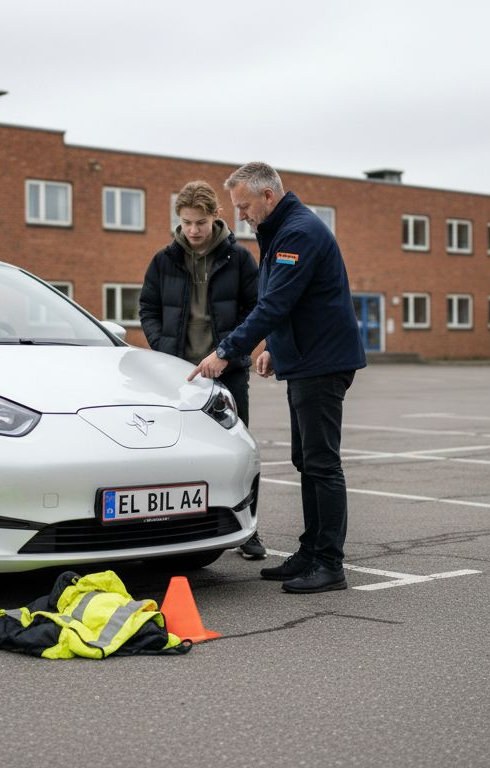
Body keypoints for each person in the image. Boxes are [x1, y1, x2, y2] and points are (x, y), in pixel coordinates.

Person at [189, 162, 366, 593]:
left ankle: (329, 563)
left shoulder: (298, 233)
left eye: (244, 206)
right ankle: (311, 551)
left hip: (322, 363)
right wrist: (273, 347)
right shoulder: (280, 230)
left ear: (268, 196)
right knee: (306, 460)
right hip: (306, 359)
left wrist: (225, 352)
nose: (240, 215)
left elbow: (274, 305)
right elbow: (288, 302)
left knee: (322, 463)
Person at [140, 180, 266, 559]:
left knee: (235, 452)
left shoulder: (239, 258)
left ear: (215, 216)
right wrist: (165, 350)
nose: (193, 230)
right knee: (170, 451)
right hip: (176, 375)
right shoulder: (163, 260)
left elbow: (256, 310)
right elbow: (148, 309)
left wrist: (228, 351)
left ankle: (246, 531)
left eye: (200, 222)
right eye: (186, 222)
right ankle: (167, 526)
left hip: (228, 372)